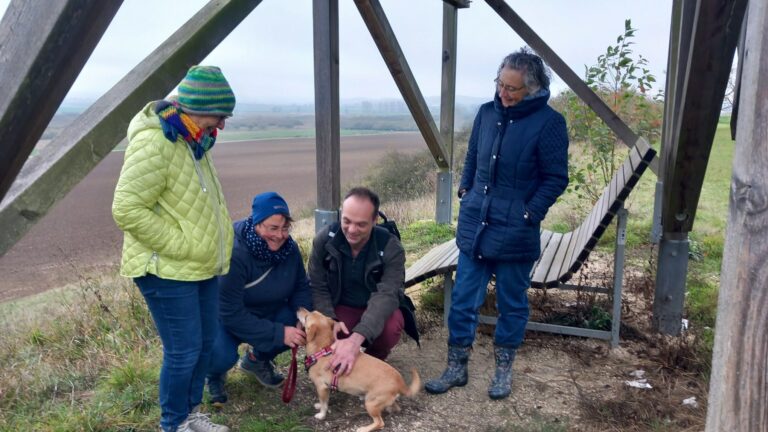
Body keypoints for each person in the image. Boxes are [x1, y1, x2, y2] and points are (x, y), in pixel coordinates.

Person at [425, 47, 569, 400]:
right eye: (500, 84)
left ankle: (503, 369)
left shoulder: (550, 123)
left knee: (512, 301)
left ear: (532, 89)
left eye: (512, 88)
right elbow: (474, 154)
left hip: (516, 229)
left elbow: (555, 177)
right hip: (477, 221)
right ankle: (456, 367)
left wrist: (530, 212)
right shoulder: (486, 113)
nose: (503, 93)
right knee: (462, 299)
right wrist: (465, 188)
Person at [112, 65, 236, 432]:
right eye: (220, 116)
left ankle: (191, 415)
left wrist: (202, 248)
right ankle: (173, 425)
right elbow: (126, 208)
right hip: (164, 269)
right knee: (183, 353)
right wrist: (183, 244)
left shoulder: (193, 142)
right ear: (196, 108)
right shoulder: (156, 142)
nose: (222, 125)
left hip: (198, 266)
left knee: (203, 347)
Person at [206, 192, 311, 405]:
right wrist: (279, 332)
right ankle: (214, 375)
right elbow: (231, 313)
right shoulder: (234, 254)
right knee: (221, 355)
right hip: (227, 320)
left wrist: (302, 315)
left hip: (267, 312)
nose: (280, 235)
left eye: (284, 228)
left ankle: (256, 360)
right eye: (272, 228)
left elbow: (301, 285)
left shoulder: (290, 249)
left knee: (298, 328)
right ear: (257, 224)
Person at [308, 187, 414, 375]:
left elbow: (387, 294)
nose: (352, 230)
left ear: (374, 221)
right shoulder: (324, 240)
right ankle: (334, 360)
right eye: (346, 221)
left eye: (361, 225)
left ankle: (370, 363)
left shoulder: (391, 247)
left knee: (391, 328)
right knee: (328, 330)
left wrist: (356, 339)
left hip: (376, 309)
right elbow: (317, 284)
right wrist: (329, 319)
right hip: (341, 308)